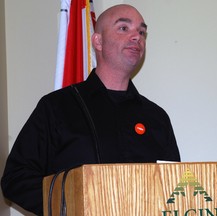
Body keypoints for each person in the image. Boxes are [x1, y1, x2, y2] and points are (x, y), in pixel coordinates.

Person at [1, 4, 180, 215]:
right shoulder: (57, 107)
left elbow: (173, 187)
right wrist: (73, 202)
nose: (137, 37)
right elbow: (16, 178)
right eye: (124, 28)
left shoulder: (156, 117)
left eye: (141, 32)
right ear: (98, 41)